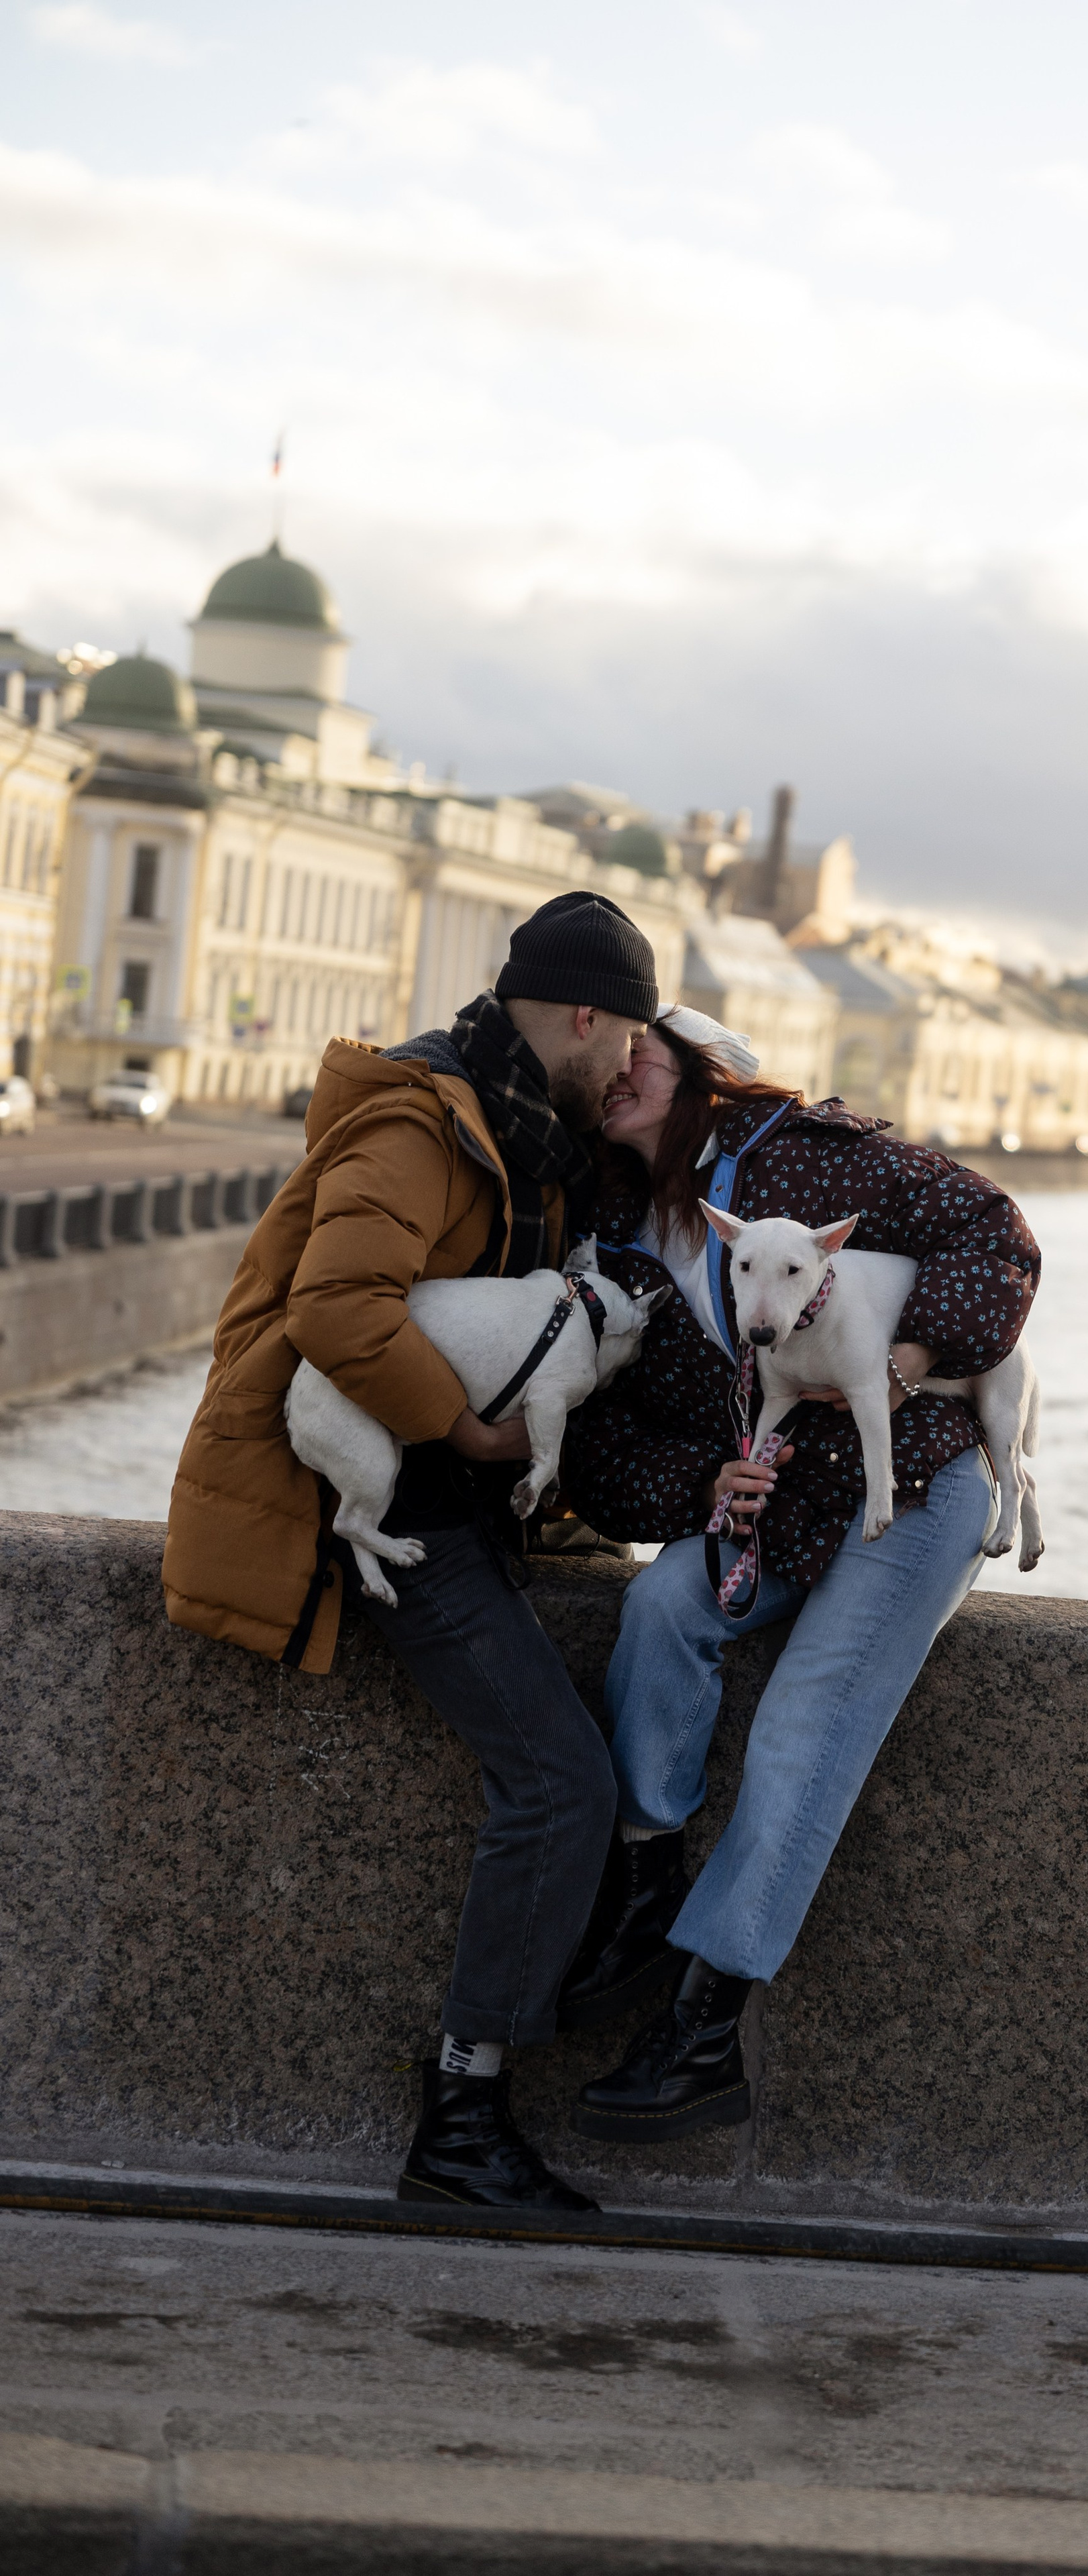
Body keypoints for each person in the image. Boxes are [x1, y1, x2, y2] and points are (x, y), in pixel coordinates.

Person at [162, 891, 657, 2210]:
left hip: (453, 1505)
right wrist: (475, 1438)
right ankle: (460, 2115)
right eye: (627, 1042)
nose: (627, 1069)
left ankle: (497, 2068)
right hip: (389, 1507)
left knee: (577, 1764)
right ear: (583, 1015)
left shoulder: (524, 1128)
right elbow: (335, 1308)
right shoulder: (420, 1119)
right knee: (558, 1781)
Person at [556, 1012, 1041, 2139]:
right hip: (777, 1504)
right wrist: (709, 1484)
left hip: (913, 1482)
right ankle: (643, 1885)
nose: (622, 1068)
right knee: (663, 1604)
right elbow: (603, 1453)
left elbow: (996, 1235)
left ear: (699, 1072)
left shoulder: (811, 1155)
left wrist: (912, 1356)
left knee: (803, 1720)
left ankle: (706, 2026)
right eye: (608, 1054)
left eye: (646, 1048)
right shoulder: (603, 1232)